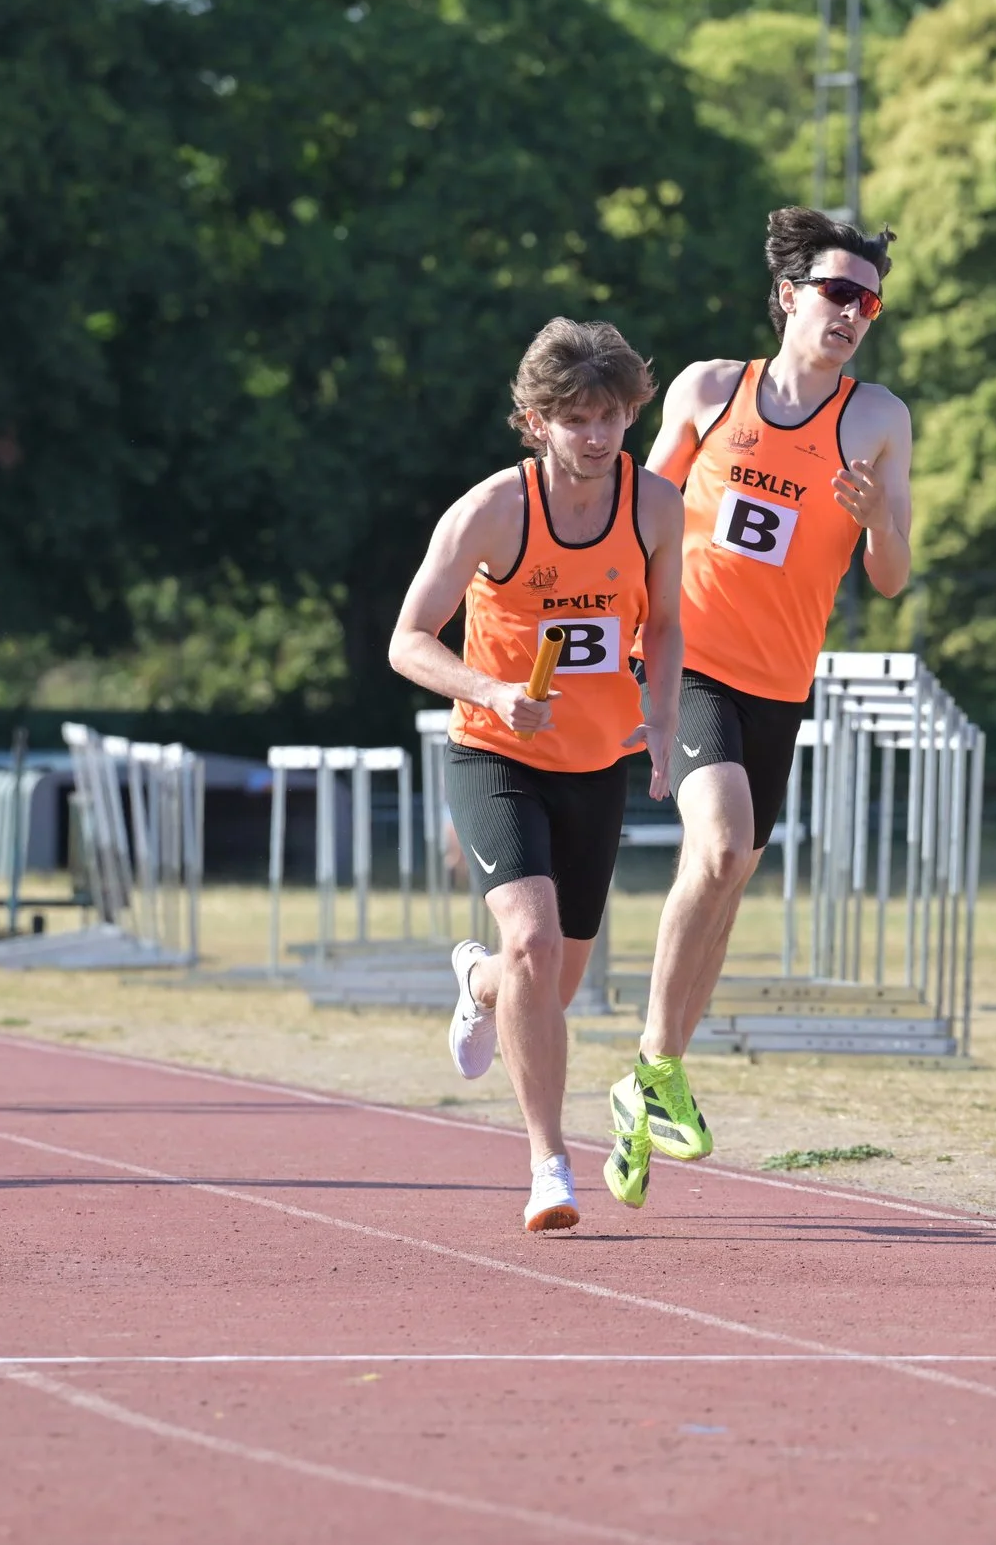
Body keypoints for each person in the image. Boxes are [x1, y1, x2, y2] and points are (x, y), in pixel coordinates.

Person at [605, 207, 915, 1208]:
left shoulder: (879, 419)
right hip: (689, 660)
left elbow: (894, 577)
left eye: (869, 302)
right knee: (723, 842)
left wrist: (877, 520)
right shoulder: (708, 389)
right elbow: (637, 518)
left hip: (781, 683)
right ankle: (655, 1064)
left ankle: (650, 1077)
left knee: (729, 873)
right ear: (788, 295)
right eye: (838, 292)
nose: (853, 313)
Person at [386, 318, 684, 1232]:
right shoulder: (491, 511)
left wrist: (664, 718)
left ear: (631, 414)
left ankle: (477, 983)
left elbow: (664, 625)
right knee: (534, 943)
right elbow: (407, 640)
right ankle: (549, 1164)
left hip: (596, 763)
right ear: (536, 422)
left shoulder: (655, 505)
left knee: (547, 986)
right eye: (575, 419)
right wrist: (492, 690)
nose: (595, 436)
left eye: (610, 417)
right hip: (497, 753)